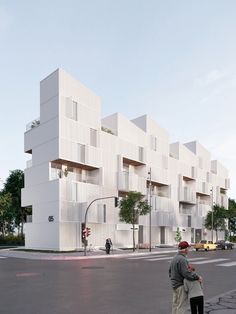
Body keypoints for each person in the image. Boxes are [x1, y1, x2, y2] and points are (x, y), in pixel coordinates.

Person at [169, 241, 202, 314]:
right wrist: (197, 277)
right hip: (181, 286)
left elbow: (170, 272)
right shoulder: (182, 259)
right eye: (188, 248)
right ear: (185, 249)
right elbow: (187, 274)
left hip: (174, 285)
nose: (189, 250)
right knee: (181, 306)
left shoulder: (175, 258)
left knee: (175, 305)